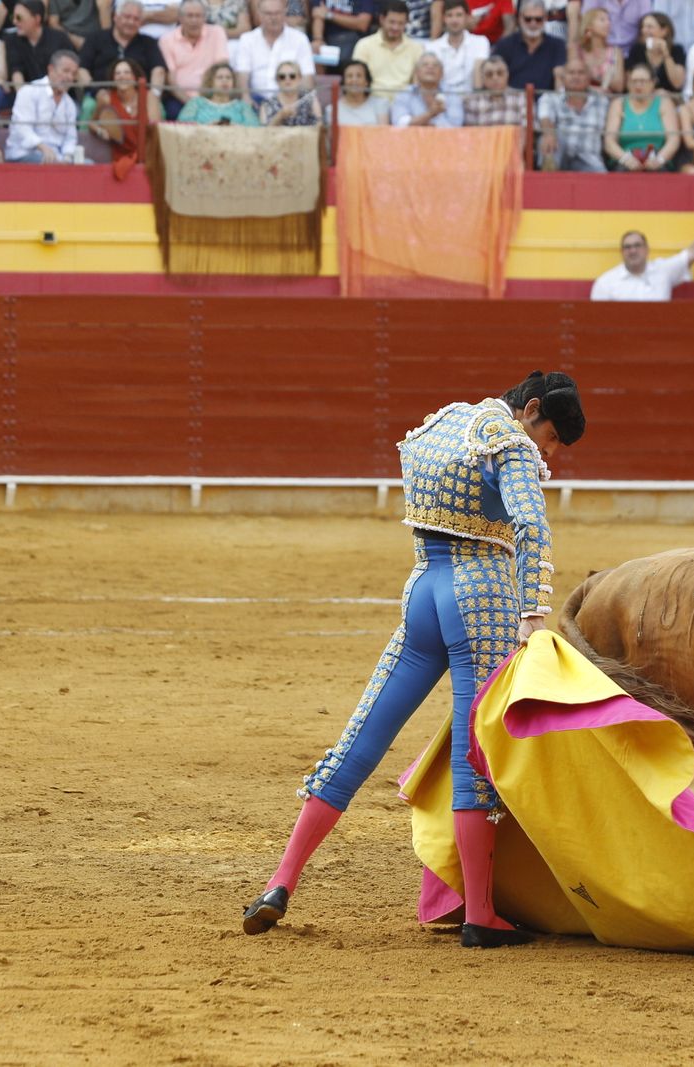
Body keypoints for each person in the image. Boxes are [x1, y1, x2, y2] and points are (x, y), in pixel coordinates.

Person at [241, 372, 587, 950]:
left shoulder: (444, 421)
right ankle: (480, 914)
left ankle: (281, 882)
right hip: (482, 599)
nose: (546, 452)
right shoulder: (509, 441)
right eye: (549, 437)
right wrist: (533, 611)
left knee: (362, 733)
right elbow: (530, 524)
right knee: (473, 753)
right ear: (530, 410)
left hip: (423, 589)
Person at [590, 208, 694, 299]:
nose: (633, 250)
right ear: (622, 252)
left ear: (647, 249)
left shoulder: (663, 270)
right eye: (627, 247)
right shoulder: (606, 282)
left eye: (637, 245)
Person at [91, 55, 159, 175]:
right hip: (120, 156)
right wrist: (101, 131)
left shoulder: (149, 97)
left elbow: (155, 129)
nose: (122, 76)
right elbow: (92, 123)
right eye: (118, 73)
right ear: (113, 78)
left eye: (127, 72)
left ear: (135, 77)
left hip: (148, 155)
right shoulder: (106, 98)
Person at [6, 47, 79, 160]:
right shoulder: (29, 91)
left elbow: (70, 138)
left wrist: (68, 156)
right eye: (65, 71)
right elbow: (22, 128)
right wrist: (43, 148)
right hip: (24, 153)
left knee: (88, 165)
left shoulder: (69, 104)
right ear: (51, 69)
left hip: (57, 158)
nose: (70, 77)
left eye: (73, 74)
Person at [77, 0, 167, 90]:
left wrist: (154, 94)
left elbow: (158, 70)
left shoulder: (149, 43)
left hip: (140, 97)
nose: (131, 22)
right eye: (127, 17)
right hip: (101, 97)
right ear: (116, 17)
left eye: (136, 19)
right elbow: (82, 70)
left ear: (141, 23)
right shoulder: (95, 39)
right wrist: (94, 92)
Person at [233, 0, 314, 95]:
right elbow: (242, 76)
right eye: (268, 13)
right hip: (256, 100)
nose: (273, 18)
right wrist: (246, 102)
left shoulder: (300, 39)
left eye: (277, 13)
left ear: (285, 12)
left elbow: (307, 77)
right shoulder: (247, 40)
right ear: (259, 14)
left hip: (290, 100)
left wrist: (300, 104)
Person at [161, 0, 227, 116]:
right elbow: (171, 82)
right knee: (173, 112)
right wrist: (193, 104)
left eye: (198, 16)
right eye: (189, 16)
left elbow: (221, 69)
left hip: (212, 97)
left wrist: (209, 102)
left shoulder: (217, 33)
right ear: (180, 18)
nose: (194, 20)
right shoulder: (167, 40)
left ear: (204, 17)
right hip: (181, 98)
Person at [538, 55, 607, 165]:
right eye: (571, 73)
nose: (576, 77)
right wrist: (549, 134)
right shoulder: (550, 97)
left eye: (581, 73)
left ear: (589, 77)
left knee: (603, 178)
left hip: (590, 160)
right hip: (560, 155)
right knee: (548, 138)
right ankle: (549, 177)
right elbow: (545, 118)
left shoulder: (603, 101)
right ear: (563, 77)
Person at [607, 60, 677, 166]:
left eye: (643, 81)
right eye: (634, 81)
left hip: (657, 159)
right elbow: (609, 142)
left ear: (653, 83)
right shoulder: (619, 104)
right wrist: (626, 159)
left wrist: (659, 160)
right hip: (625, 159)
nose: (638, 85)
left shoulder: (664, 103)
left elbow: (674, 140)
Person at [354, 0, 423, 94]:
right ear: (382, 19)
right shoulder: (364, 45)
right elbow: (358, 82)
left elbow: (417, 83)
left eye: (400, 23)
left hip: (404, 102)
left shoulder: (416, 48)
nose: (396, 27)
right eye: (392, 22)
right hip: (372, 100)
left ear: (406, 23)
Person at [493, 0, 565, 88]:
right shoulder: (505, 45)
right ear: (520, 18)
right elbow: (495, 76)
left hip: (547, 99)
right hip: (512, 98)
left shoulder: (557, 45)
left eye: (538, 19)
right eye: (528, 19)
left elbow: (560, 79)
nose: (533, 23)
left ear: (545, 18)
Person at [7, 0, 77, 90]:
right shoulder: (12, 40)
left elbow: (71, 70)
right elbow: (16, 72)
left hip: (59, 94)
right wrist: (23, 98)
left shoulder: (60, 39)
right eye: (13, 17)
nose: (14, 22)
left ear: (37, 19)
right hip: (28, 96)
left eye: (19, 18)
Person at [428, 0, 489, 94]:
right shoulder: (432, 47)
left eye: (459, 15)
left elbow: (479, 75)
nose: (454, 20)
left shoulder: (481, 42)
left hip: (471, 98)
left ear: (467, 17)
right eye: (450, 15)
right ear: (444, 18)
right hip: (442, 101)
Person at [389, 50, 461, 121]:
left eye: (435, 65)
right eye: (425, 65)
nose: (430, 67)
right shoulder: (405, 93)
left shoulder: (451, 94)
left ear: (442, 73)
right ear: (416, 72)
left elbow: (455, 125)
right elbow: (400, 123)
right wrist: (430, 114)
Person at [182, 56, 261, 118]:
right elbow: (183, 126)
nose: (225, 81)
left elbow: (254, 130)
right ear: (210, 82)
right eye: (220, 77)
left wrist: (234, 127)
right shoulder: (196, 103)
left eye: (228, 77)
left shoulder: (242, 107)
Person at [625, 11, 684, 92]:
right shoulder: (637, 49)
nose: (644, 31)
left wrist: (666, 54)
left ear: (664, 31)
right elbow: (629, 82)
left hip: (669, 97)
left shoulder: (676, 50)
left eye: (649, 27)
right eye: (643, 27)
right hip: (642, 97)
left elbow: (677, 83)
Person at [571, 5, 625, 91]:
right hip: (582, 98)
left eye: (609, 20)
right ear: (589, 26)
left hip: (608, 101)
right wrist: (602, 83)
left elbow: (619, 86)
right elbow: (571, 81)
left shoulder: (616, 52)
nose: (608, 23)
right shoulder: (577, 50)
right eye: (602, 20)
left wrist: (590, 78)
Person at [312, 0, 375, 70]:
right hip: (328, 38)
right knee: (315, 50)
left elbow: (363, 24)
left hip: (354, 38)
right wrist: (318, 39)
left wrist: (329, 15)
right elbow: (318, 15)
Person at [463, 52, 524, 122]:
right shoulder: (472, 101)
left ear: (507, 74)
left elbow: (529, 130)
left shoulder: (521, 97)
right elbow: (471, 132)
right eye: (489, 74)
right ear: (482, 78)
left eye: (500, 73)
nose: (495, 78)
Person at [258, 56, 320, 122]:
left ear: (300, 78)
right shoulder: (267, 105)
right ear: (277, 80)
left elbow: (320, 125)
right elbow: (263, 131)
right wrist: (280, 116)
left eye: (292, 76)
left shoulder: (310, 99)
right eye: (282, 77)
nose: (287, 80)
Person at [329, 55, 390, 122]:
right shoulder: (332, 110)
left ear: (366, 82)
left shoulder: (380, 105)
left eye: (359, 76)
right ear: (343, 81)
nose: (354, 80)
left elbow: (383, 131)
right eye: (349, 76)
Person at [583, 0, 652, 52]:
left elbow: (648, 24)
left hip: (633, 50)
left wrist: (649, 47)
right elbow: (587, 21)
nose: (607, 23)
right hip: (602, 50)